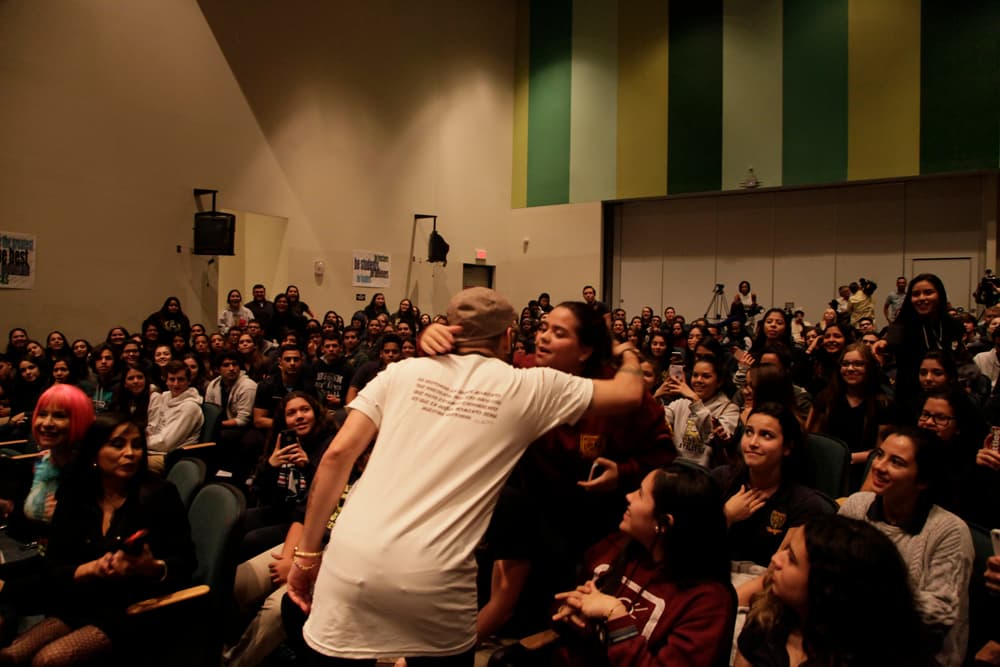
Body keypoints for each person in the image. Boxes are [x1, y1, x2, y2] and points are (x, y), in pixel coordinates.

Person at [286, 287, 645, 665]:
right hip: (434, 575)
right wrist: (627, 352)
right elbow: (629, 392)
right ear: (508, 336)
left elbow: (337, 456)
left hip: (351, 559)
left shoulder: (402, 371)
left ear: (450, 329)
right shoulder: (532, 386)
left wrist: (307, 556)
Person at [0, 414, 196, 666]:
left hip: (131, 609)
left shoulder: (159, 494)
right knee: (11, 656)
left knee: (48, 660)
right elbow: (54, 565)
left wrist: (152, 567)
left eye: (136, 445)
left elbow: (187, 562)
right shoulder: (74, 493)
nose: (130, 453)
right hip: (80, 602)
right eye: (118, 444)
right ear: (94, 452)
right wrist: (90, 569)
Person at [550, 463, 735, 667]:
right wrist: (572, 610)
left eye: (639, 494)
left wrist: (616, 614)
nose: (628, 496)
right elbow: (561, 610)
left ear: (663, 524)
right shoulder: (618, 547)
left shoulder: (708, 601)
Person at [839, 426, 974, 667]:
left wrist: (865, 593)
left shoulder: (949, 531)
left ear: (923, 480)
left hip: (920, 654)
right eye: (880, 454)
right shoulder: (856, 506)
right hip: (852, 636)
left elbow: (937, 615)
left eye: (897, 462)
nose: (879, 466)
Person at [735, 515, 932, 667]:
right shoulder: (764, 622)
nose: (776, 559)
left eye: (792, 559)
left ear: (825, 586)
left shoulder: (875, 656)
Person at [717, 403, 832, 567]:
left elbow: (777, 570)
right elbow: (692, 547)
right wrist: (726, 516)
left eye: (766, 435)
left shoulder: (804, 503)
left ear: (787, 447)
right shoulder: (720, 479)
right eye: (749, 432)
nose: (753, 443)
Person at [806, 342, 893, 491]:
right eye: (845, 364)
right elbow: (811, 437)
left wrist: (847, 458)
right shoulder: (826, 398)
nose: (850, 369)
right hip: (826, 468)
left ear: (869, 368)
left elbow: (882, 450)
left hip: (865, 472)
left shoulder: (883, 403)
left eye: (858, 364)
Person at [881, 273, 965, 405]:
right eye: (915, 294)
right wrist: (882, 343)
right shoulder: (902, 325)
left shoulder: (954, 326)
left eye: (928, 292)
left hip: (948, 396)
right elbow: (887, 343)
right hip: (910, 398)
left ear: (940, 295)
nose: (921, 298)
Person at [657, 356, 739, 468]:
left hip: (705, 473)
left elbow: (714, 438)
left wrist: (696, 401)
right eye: (695, 375)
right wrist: (656, 397)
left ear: (719, 382)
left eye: (706, 376)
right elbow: (657, 420)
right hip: (676, 468)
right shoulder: (681, 403)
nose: (698, 380)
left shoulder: (729, 409)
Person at [145, 360, 205, 474]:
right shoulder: (165, 397)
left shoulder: (190, 407)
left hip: (172, 457)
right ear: (166, 380)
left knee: (130, 462)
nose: (176, 384)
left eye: (181, 379)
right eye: (172, 379)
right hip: (153, 449)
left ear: (188, 381)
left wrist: (142, 443)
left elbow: (166, 444)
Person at [205, 350, 258, 476]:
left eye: (235, 364)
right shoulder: (213, 385)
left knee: (223, 436)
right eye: (226, 365)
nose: (232, 368)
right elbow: (209, 410)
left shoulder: (248, 386)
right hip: (222, 424)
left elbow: (243, 420)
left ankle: (230, 474)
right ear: (218, 369)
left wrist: (217, 425)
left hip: (244, 427)